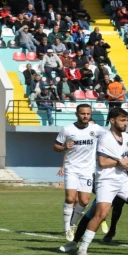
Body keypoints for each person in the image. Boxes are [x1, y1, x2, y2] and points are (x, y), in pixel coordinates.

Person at [69, 108, 128, 255]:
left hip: (123, 180)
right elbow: (103, 162)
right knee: (100, 214)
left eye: (126, 120)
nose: (126, 123)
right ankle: (82, 248)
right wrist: (120, 162)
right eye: (122, 120)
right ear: (112, 121)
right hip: (106, 181)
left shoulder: (126, 137)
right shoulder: (105, 138)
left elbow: (125, 158)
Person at [53, 104, 105, 242]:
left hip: (88, 170)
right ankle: (66, 227)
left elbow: (109, 137)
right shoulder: (68, 129)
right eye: (83, 113)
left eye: (88, 114)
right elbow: (56, 146)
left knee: (84, 201)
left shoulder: (96, 129)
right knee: (70, 198)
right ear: (77, 114)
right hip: (72, 168)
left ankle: (73, 224)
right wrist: (64, 147)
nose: (85, 116)